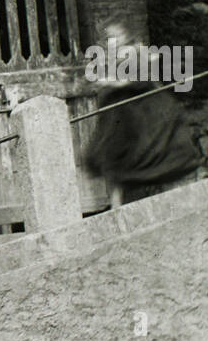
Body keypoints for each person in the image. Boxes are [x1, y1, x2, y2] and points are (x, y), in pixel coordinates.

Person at [84, 27, 201, 207]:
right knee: (114, 159)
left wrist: (114, 82)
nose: (114, 41)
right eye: (110, 39)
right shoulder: (108, 56)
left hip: (144, 110)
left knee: (154, 151)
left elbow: (142, 78)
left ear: (126, 36)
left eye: (117, 36)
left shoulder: (140, 51)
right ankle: (117, 205)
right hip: (121, 115)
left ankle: (171, 196)